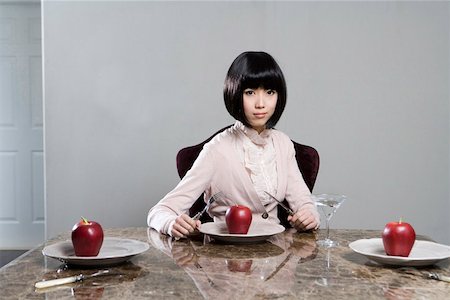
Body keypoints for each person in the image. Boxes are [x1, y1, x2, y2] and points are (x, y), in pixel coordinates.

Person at [148, 51, 320, 238]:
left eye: (270, 92)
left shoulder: (282, 144)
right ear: (235, 94)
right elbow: (159, 211)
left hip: (276, 255)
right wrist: (170, 223)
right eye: (250, 93)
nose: (261, 103)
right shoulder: (217, 150)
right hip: (225, 259)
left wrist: (308, 216)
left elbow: (304, 203)